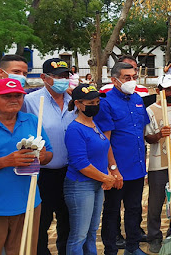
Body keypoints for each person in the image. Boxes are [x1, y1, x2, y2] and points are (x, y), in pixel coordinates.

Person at [0, 78, 53, 255]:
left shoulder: (33, 121)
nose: (13, 99)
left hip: (29, 204)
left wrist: (43, 156)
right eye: (6, 96)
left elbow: (49, 155)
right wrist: (5, 161)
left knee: (25, 252)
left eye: (18, 95)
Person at [94, 62, 150, 255]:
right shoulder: (106, 102)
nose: (131, 81)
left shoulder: (137, 100)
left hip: (137, 165)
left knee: (134, 209)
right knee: (112, 211)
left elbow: (142, 131)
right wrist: (112, 168)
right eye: (127, 77)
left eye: (134, 77)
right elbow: (105, 140)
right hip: (117, 168)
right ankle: (110, 249)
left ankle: (133, 247)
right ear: (114, 80)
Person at [23, 58, 76, 255]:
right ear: (44, 78)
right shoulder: (31, 101)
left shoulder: (74, 102)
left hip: (70, 172)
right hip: (42, 174)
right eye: (57, 77)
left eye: (65, 76)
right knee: (41, 221)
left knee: (68, 220)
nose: (62, 80)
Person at [64, 84, 115, 255]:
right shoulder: (75, 129)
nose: (95, 105)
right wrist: (106, 178)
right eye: (91, 102)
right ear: (78, 104)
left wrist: (108, 173)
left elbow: (101, 151)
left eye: (97, 101)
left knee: (92, 231)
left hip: (97, 184)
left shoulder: (93, 124)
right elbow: (81, 163)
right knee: (79, 234)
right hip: (80, 185)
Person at [143, 75, 171, 253]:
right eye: (167, 89)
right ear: (159, 91)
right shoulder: (151, 110)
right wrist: (160, 134)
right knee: (155, 202)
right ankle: (154, 236)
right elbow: (148, 137)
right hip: (159, 163)